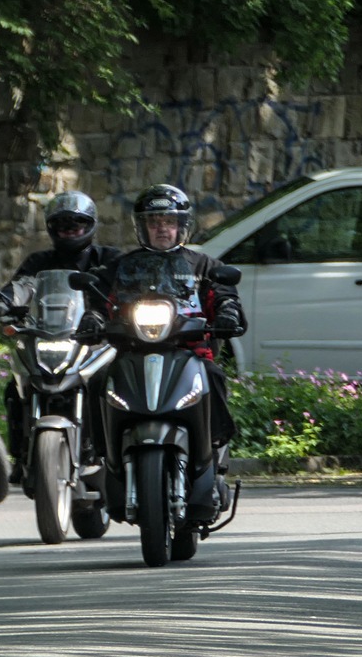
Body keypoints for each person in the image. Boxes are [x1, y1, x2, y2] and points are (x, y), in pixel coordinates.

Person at [78, 183, 246, 457]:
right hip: (132, 352)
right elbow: (99, 299)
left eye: (169, 221)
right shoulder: (120, 266)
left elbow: (225, 295)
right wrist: (92, 317)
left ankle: (215, 447)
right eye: (154, 222)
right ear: (141, 227)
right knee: (99, 379)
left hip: (189, 351)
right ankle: (99, 450)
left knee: (212, 374)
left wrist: (228, 312)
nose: (162, 228)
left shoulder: (205, 266)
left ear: (182, 225)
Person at [0, 190, 122, 483]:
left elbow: (125, 290)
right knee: (17, 387)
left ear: (91, 225)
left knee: (108, 384)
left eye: (77, 224)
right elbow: (21, 285)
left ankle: (110, 452)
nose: (69, 230)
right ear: (51, 228)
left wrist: (116, 311)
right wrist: (4, 303)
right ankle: (22, 455)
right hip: (50, 334)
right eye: (62, 225)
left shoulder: (109, 259)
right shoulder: (39, 261)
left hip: (95, 340)